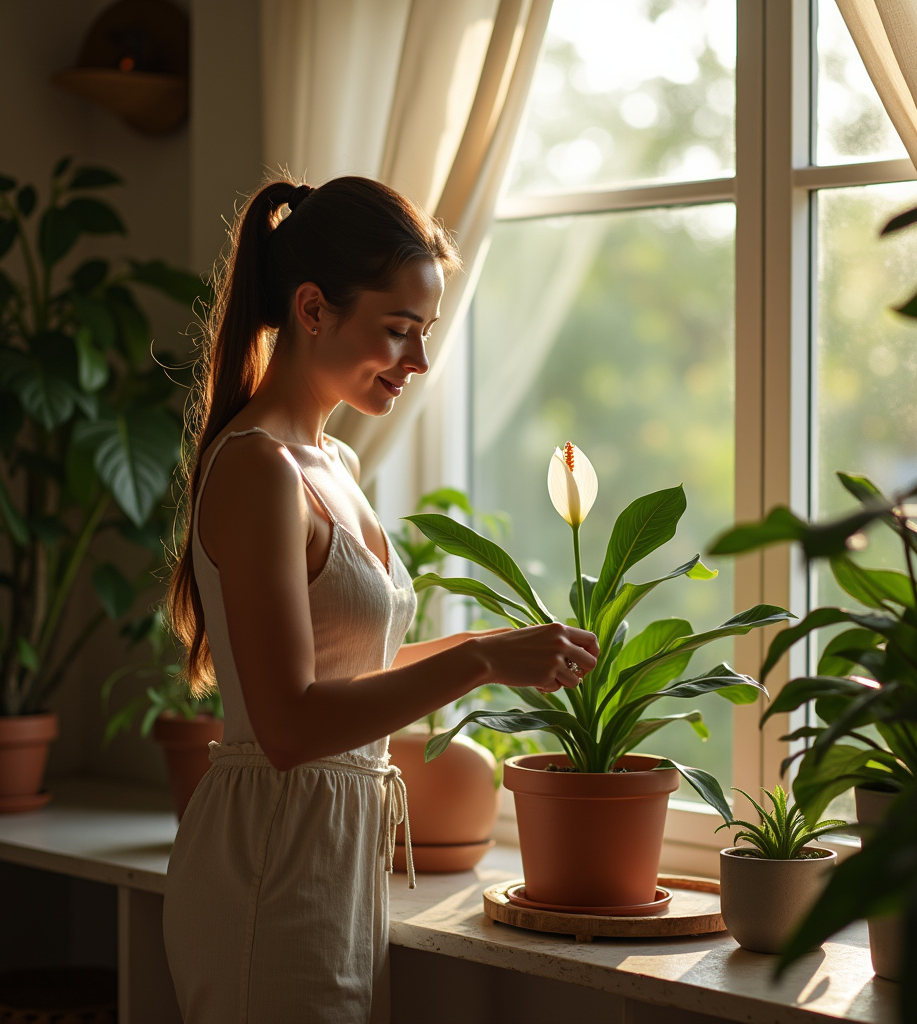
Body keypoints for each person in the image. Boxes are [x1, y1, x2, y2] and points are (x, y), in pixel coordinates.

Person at [161, 176, 599, 1024]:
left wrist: (504, 648)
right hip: (269, 867)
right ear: (314, 309)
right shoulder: (257, 468)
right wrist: (476, 662)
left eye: (424, 333)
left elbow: (356, 673)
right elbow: (289, 726)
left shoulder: (335, 466)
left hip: (332, 861)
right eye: (398, 331)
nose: (420, 362)